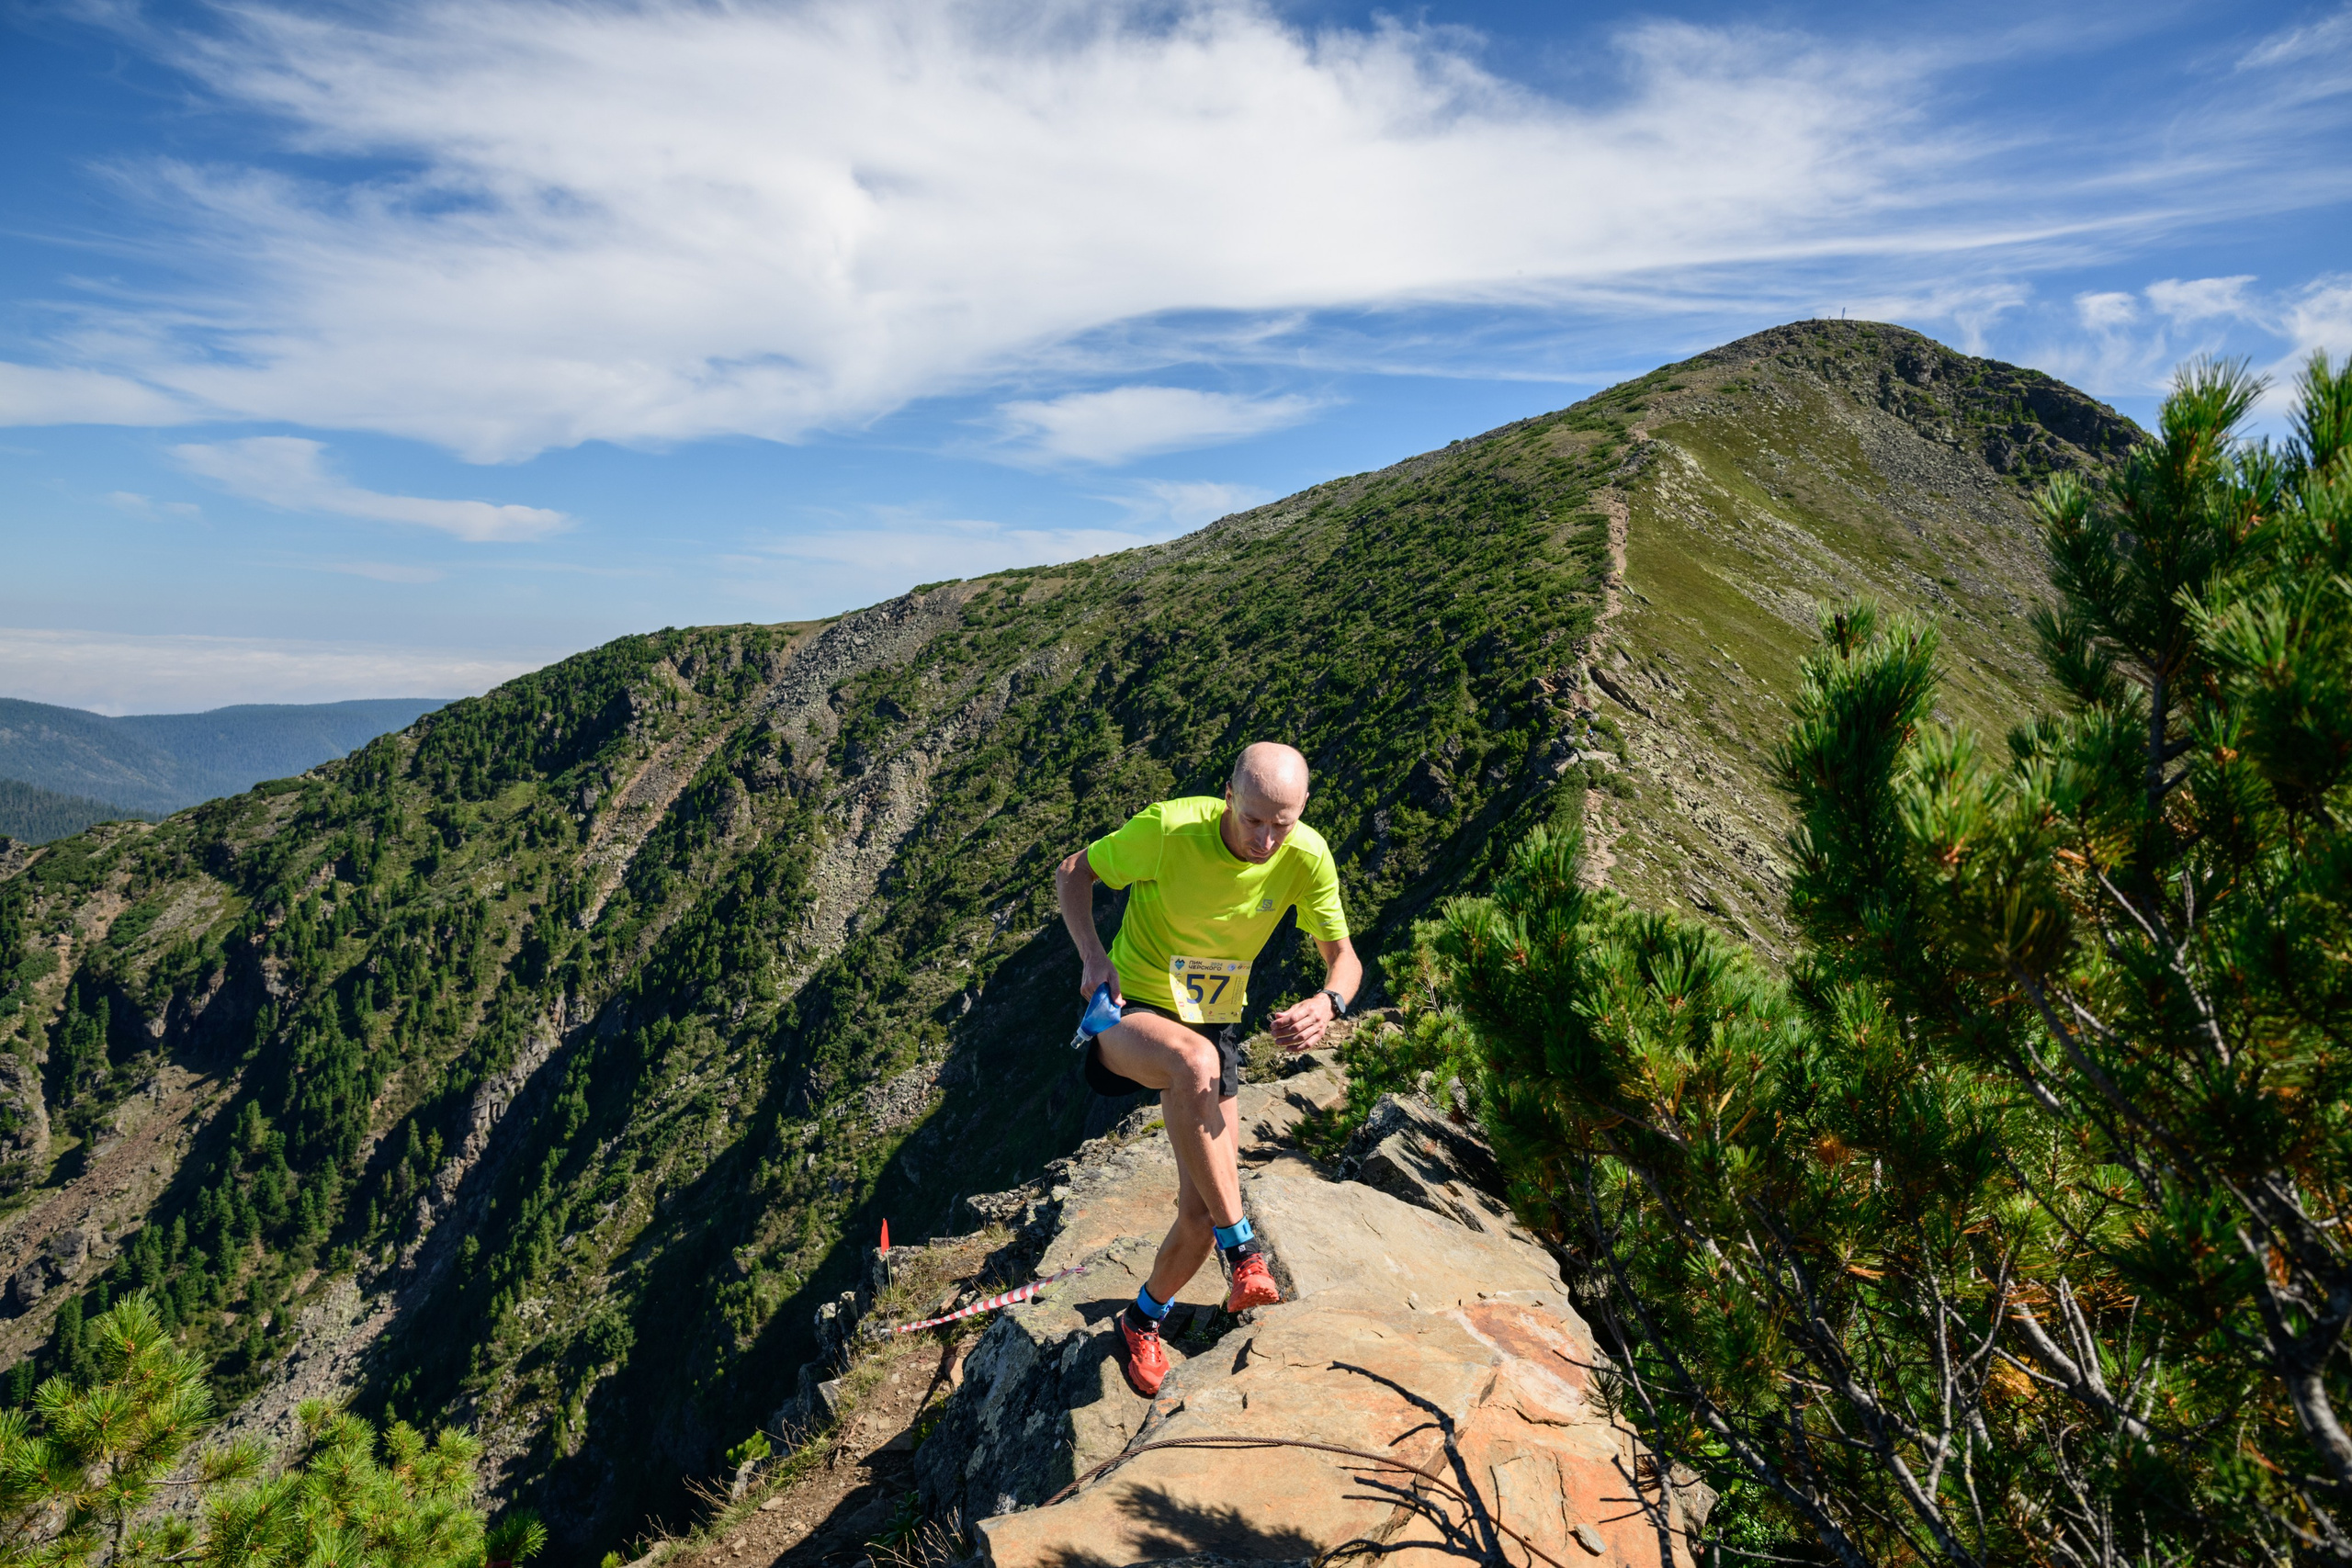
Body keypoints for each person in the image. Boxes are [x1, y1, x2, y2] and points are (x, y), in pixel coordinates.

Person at [1054, 741, 1361, 1397]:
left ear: (1302, 810)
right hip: (1126, 1012)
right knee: (1191, 1061)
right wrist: (1092, 956)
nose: (1266, 838)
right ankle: (1245, 1250)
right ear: (1229, 795)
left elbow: (1346, 959)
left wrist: (1327, 1002)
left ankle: (1142, 1318)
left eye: (1283, 822)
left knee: (1198, 1210)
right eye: (1254, 819)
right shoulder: (1170, 829)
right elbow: (1074, 871)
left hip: (1212, 1023)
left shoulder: (1305, 854)